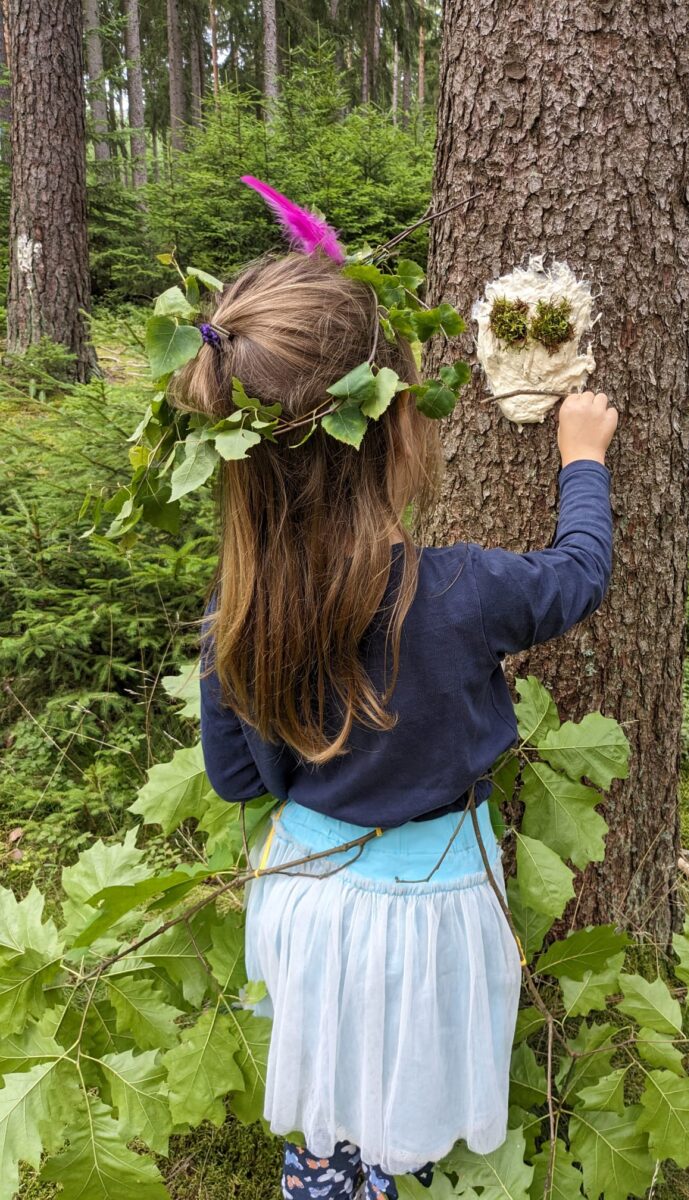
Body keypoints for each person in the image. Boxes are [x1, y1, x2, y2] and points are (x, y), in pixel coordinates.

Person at [177, 249, 617, 1200]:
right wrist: (583, 458)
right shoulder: (465, 590)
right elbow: (579, 572)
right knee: (399, 1091)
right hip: (430, 912)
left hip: (312, 905)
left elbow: (236, 779)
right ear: (393, 431)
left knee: (334, 1099)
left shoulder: (237, 611)